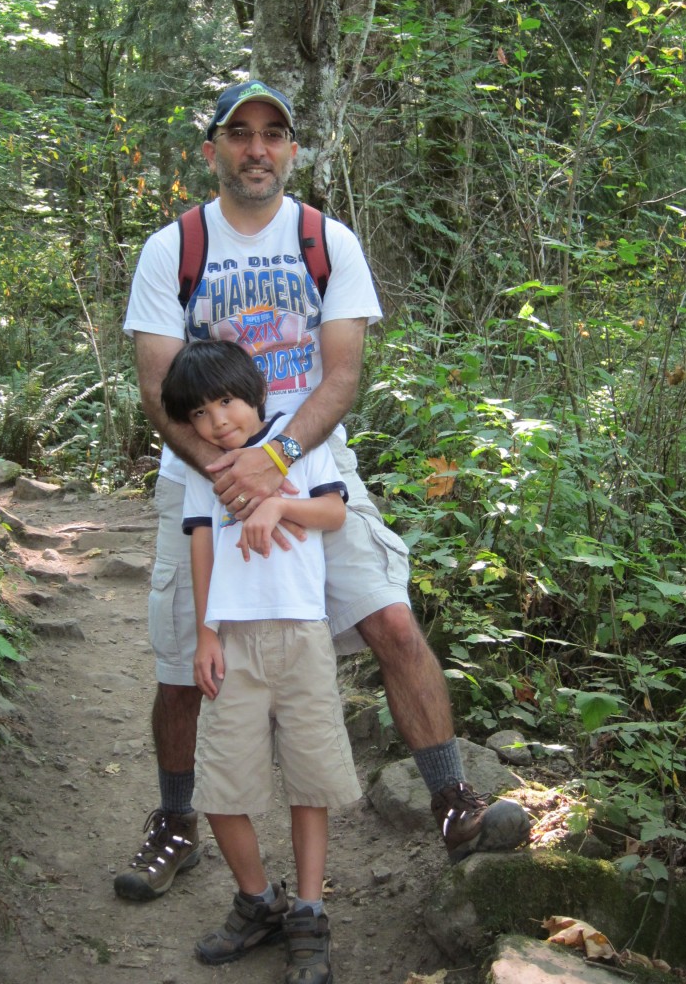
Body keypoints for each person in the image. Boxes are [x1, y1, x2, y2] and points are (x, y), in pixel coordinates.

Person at [117, 79, 530, 903]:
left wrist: (275, 464)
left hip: (312, 466)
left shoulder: (325, 240)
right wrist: (226, 474)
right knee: (181, 662)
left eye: (274, 133)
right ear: (214, 151)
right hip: (196, 480)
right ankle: (174, 823)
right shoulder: (174, 249)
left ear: (293, 149)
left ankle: (451, 802)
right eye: (240, 134)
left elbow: (341, 373)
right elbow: (159, 388)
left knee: (390, 618)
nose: (258, 148)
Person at [158, 338, 360, 979]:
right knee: (219, 784)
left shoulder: (299, 444)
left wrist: (276, 501)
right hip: (233, 642)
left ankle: (307, 911)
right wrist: (207, 635)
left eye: (226, 402)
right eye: (200, 414)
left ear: (255, 395)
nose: (218, 421)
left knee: (309, 780)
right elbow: (201, 551)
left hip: (301, 635)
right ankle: (257, 900)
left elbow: (333, 511)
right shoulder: (202, 470)